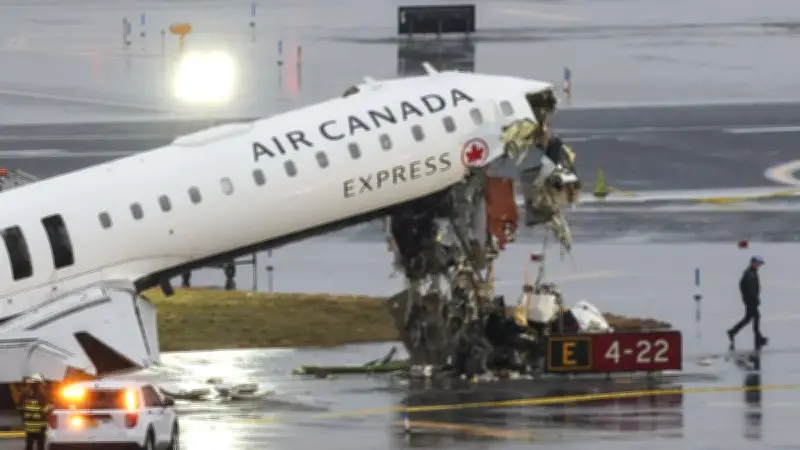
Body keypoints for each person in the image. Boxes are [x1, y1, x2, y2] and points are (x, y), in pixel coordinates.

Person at [728, 256, 769, 350]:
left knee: (748, 319)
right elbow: (750, 289)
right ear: (753, 263)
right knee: (756, 317)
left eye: (760, 264)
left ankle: (732, 332)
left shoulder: (751, 273)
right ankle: (758, 338)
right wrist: (753, 299)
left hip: (750, 300)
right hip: (751, 301)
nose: (759, 266)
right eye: (758, 263)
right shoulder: (749, 274)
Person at [20, 373, 53, 450]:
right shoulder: (41, 396)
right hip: (40, 426)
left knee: (29, 444)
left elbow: (22, 409)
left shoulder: (25, 395)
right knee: (40, 445)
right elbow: (45, 410)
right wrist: (50, 406)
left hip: (29, 425)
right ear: (40, 384)